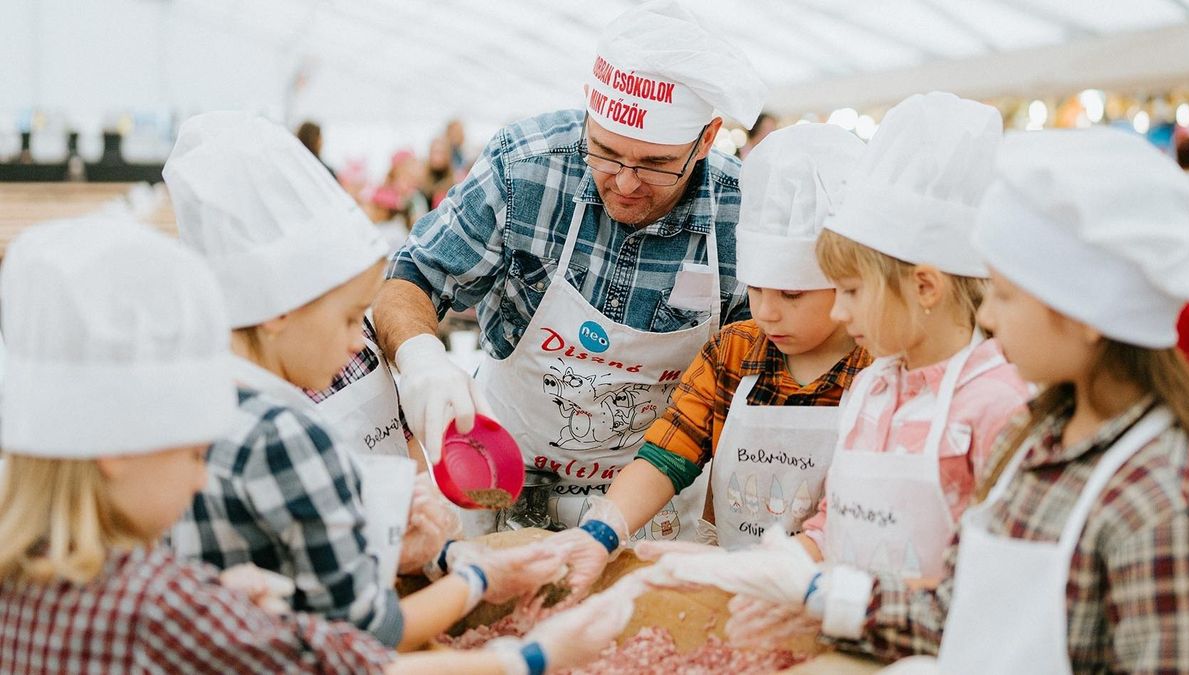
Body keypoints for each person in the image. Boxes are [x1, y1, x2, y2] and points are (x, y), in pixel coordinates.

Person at [650, 127, 1189, 674]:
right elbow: (953, 611)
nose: (987, 315)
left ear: (1084, 315)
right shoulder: (1035, 440)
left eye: (1005, 296)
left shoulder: (1157, 500)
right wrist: (814, 588)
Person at [0, 216, 634, 674]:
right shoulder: (155, 602)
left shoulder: (35, 575)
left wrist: (227, 613)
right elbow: (362, 666)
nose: (200, 478)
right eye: (193, 454)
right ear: (117, 451)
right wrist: (534, 655)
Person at [373, 0, 766, 545]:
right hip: (500, 481)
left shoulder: (739, 211)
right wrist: (422, 363)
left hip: (650, 512)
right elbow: (412, 278)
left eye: (654, 164)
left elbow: (752, 381)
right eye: (605, 154)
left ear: (705, 139)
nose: (625, 183)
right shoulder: (525, 167)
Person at [163, 112, 560, 652]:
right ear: (279, 310)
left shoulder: (230, 388)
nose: (361, 337)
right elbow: (362, 633)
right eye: (350, 318)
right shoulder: (279, 433)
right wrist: (478, 581)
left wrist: (432, 547)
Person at [557, 123, 871, 589]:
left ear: (849, 282)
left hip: (837, 593)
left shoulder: (877, 368)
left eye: (791, 294)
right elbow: (666, 456)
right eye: (757, 289)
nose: (766, 312)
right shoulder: (736, 350)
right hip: (731, 580)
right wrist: (602, 532)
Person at [792, 92, 1028, 579]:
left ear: (925, 285)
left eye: (853, 291)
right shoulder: (871, 389)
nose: (838, 311)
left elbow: (996, 570)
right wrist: (770, 567)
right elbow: (831, 524)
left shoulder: (999, 405)